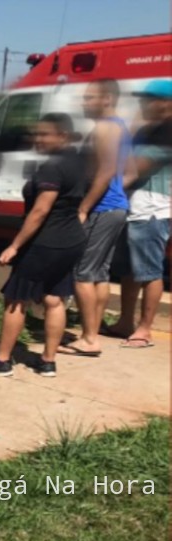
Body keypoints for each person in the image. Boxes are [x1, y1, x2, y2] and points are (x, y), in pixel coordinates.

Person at [0, 113, 87, 377]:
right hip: (71, 240)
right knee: (54, 299)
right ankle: (48, 361)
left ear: (63, 136)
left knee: (16, 299)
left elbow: (40, 211)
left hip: (45, 242)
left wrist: (14, 246)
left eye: (45, 134)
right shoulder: (77, 162)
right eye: (36, 133)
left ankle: (1, 361)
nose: (38, 139)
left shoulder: (52, 167)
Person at [60, 79, 131, 357]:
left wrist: (83, 208)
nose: (84, 102)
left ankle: (89, 339)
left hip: (102, 209)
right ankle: (93, 329)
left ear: (107, 99)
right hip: (114, 207)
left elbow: (105, 172)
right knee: (100, 273)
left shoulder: (104, 128)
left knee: (82, 273)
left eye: (90, 97)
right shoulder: (119, 127)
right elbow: (129, 171)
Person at [105, 79, 172, 348]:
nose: (142, 104)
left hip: (152, 209)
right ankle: (125, 321)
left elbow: (135, 168)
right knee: (129, 270)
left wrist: (130, 128)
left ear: (165, 103)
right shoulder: (148, 130)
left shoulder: (167, 133)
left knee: (149, 271)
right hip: (133, 205)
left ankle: (144, 329)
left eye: (148, 99)